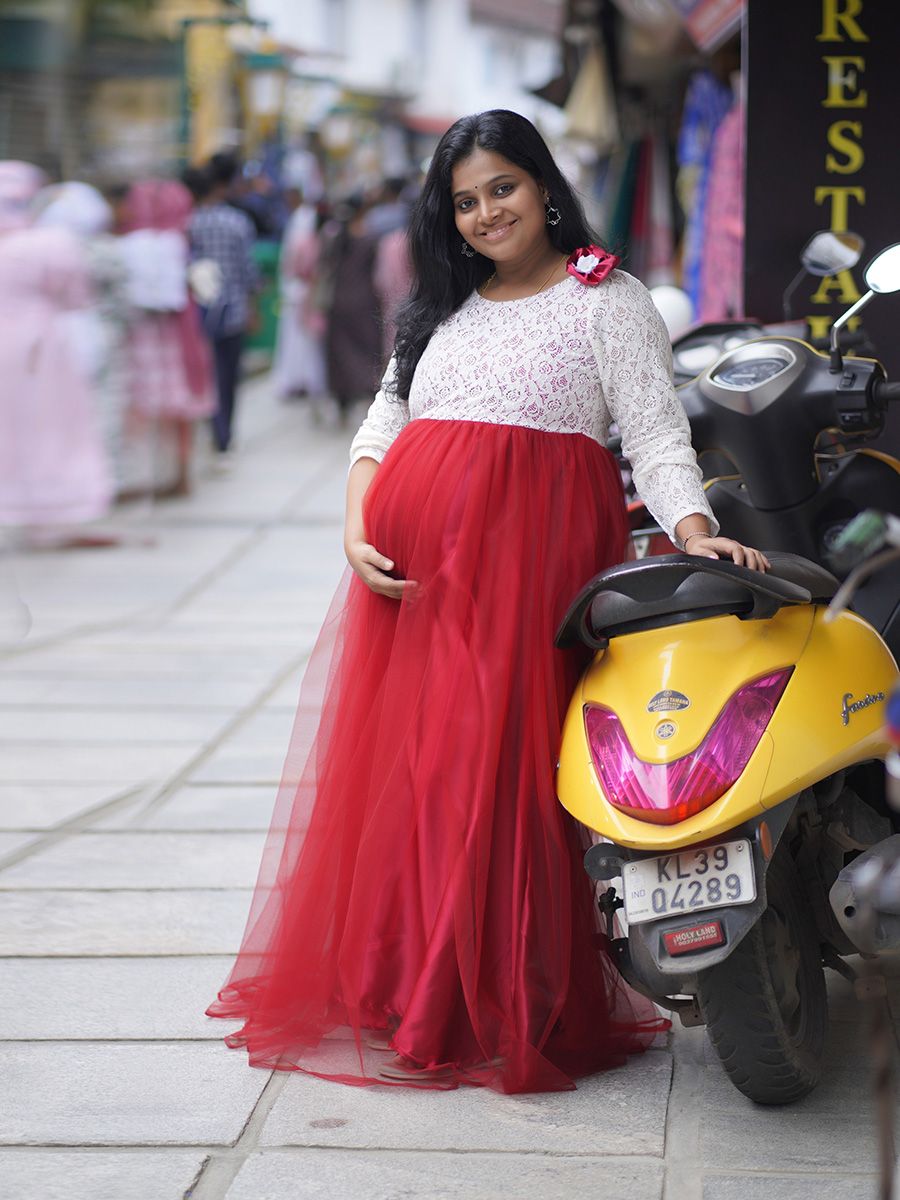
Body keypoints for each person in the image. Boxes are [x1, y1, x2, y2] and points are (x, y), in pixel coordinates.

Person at [206, 110, 768, 1094]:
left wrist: (692, 531)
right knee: (416, 776)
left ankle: (491, 998)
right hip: (414, 574)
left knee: (492, 773)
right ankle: (402, 981)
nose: (484, 213)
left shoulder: (608, 298)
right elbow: (387, 418)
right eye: (464, 201)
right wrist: (355, 523)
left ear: (544, 187)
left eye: (501, 188)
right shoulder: (442, 303)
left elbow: (656, 436)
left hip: (527, 567)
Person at [0, 162, 114, 542]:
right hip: (38, 347)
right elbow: (77, 295)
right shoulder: (50, 241)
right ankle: (50, 511)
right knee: (47, 426)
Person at [117, 179, 214, 497]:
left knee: (139, 411)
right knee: (180, 412)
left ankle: (140, 481)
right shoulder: (177, 243)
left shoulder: (129, 244)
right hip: (178, 339)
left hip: (140, 341)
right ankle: (179, 476)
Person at [186, 160, 258, 459]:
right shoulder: (238, 222)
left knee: (205, 372)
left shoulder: (188, 223)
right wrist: (253, 306)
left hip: (197, 311)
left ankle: (211, 426)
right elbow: (247, 269)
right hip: (233, 309)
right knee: (228, 376)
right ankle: (224, 435)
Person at [270, 186, 326, 400]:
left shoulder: (302, 221)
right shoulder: (303, 221)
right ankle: (304, 380)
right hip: (302, 290)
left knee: (302, 338)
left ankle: (303, 380)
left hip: (301, 289)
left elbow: (292, 260)